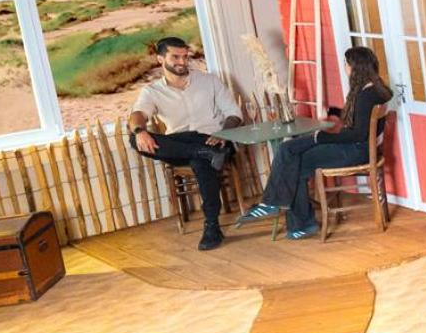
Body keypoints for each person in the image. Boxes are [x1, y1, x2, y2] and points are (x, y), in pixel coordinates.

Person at [236, 46, 392, 239]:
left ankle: (284, 211)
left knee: (293, 159)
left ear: (356, 67)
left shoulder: (365, 96)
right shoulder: (376, 89)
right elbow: (362, 120)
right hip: (357, 148)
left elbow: (358, 134)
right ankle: (283, 212)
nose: (345, 67)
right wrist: (335, 112)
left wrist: (323, 137)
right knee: (288, 149)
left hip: (354, 151)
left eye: (346, 63)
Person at [127, 37, 244, 251]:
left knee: (200, 161)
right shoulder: (152, 91)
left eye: (185, 56)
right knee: (135, 138)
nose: (182, 62)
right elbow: (138, 115)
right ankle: (202, 152)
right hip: (179, 144)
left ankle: (212, 226)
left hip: (213, 138)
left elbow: (234, 114)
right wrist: (140, 131)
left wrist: (223, 133)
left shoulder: (209, 81)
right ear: (160, 59)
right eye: (175, 57)